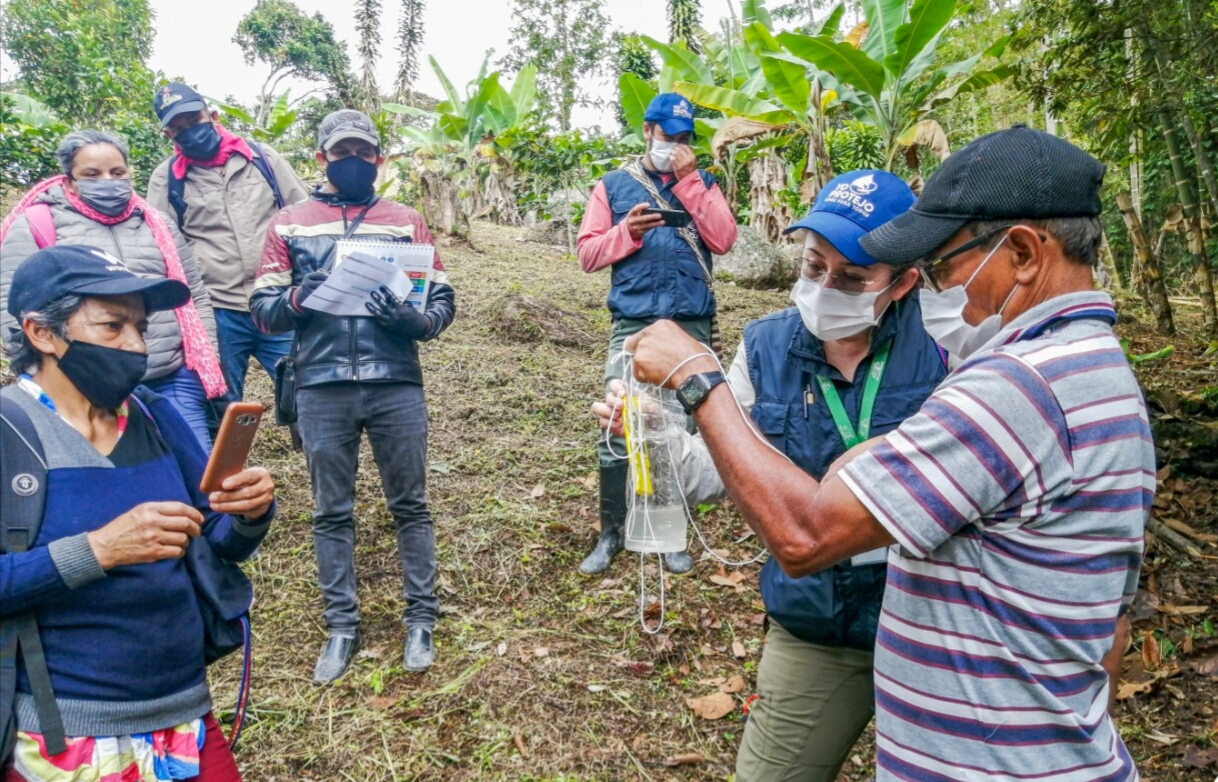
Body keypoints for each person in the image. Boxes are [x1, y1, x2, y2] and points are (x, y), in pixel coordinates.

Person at [622, 126, 1149, 781]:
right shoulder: (1091, 371)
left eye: (946, 264)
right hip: (852, 638)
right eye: (816, 266)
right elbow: (1107, 608)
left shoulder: (1003, 379)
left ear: (1020, 253)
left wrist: (700, 380)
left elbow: (806, 532)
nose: (944, 285)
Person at [595, 170, 945, 780]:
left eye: (852, 278)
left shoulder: (949, 348)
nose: (825, 287)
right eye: (814, 267)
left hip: (935, 619)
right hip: (816, 621)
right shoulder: (765, 347)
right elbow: (717, 472)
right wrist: (657, 435)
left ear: (904, 281)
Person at [1, 244, 276, 782]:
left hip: (184, 714)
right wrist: (98, 550)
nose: (135, 345)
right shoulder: (9, 432)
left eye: (141, 328)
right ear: (41, 332)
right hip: (64, 735)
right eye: (112, 326)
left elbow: (214, 537)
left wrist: (247, 513)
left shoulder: (155, 415)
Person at [250, 109, 455, 682]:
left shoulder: (404, 220)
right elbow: (262, 309)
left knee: (410, 504)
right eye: (343, 152)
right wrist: (299, 296)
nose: (355, 161)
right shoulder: (291, 223)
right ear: (322, 158)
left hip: (395, 382)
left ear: (379, 160)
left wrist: (416, 323)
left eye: (365, 153)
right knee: (330, 512)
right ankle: (341, 627)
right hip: (321, 385)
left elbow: (442, 299)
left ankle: (421, 619)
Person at [576, 92, 737, 575]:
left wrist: (690, 183)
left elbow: (724, 240)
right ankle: (612, 533)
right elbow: (587, 255)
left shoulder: (703, 182)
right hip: (633, 323)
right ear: (648, 130)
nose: (677, 145)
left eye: (686, 138)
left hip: (688, 325)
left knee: (676, 427)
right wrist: (629, 233)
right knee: (616, 422)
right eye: (669, 136)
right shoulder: (612, 186)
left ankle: (668, 536)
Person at [0, 129, 225, 452]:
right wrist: (46, 378)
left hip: (169, 374)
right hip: (87, 382)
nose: (108, 180)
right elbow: (13, 306)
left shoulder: (156, 222)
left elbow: (195, 295)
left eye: (117, 172)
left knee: (196, 472)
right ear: (69, 179)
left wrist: (205, 359)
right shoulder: (38, 224)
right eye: (92, 174)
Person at [146, 82, 309, 415]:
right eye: (179, 128)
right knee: (220, 404)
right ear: (168, 135)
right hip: (218, 308)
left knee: (303, 390)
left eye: (195, 120)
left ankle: (311, 449)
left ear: (213, 115)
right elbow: (162, 246)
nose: (190, 131)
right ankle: (227, 465)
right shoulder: (167, 180)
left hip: (276, 300)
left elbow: (302, 214)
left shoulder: (262, 158)